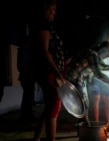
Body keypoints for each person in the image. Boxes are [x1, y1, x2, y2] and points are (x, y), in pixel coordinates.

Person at [30, 0, 66, 141]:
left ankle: (36, 138)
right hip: (48, 71)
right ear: (44, 9)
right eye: (51, 10)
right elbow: (45, 51)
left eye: (55, 10)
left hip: (50, 70)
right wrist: (57, 71)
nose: (54, 13)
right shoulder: (43, 26)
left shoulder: (47, 26)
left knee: (49, 106)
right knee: (55, 105)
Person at [86, 41, 109, 131]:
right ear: (103, 49)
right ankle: (95, 125)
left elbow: (102, 66)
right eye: (108, 52)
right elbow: (98, 73)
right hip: (90, 79)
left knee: (106, 100)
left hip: (101, 79)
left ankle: (108, 124)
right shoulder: (93, 54)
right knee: (93, 101)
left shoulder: (97, 56)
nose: (108, 55)